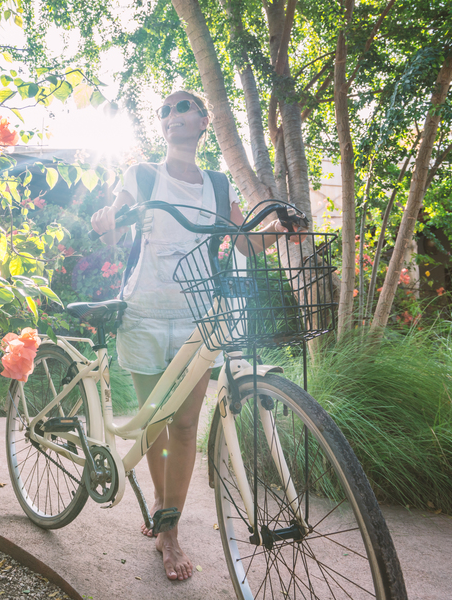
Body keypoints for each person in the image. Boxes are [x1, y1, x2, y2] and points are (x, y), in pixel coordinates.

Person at [90, 90, 293, 582]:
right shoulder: (141, 175)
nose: (170, 115)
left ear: (204, 121)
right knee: (154, 425)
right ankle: (164, 510)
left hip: (198, 319)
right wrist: (106, 221)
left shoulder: (219, 184)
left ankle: (169, 529)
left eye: (182, 107)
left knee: (184, 426)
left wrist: (278, 230)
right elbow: (112, 219)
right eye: (163, 111)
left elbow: (242, 240)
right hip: (143, 312)